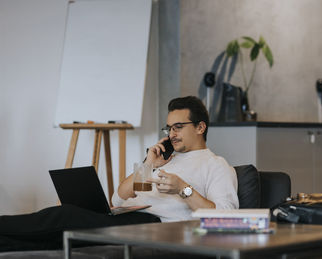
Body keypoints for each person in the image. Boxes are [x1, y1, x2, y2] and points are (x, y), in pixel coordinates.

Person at [0, 96, 239, 252]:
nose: (172, 134)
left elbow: (227, 217)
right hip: (128, 217)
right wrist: (148, 165)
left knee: (63, 215)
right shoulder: (165, 161)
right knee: (51, 237)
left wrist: (183, 190)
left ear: (200, 127)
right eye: (169, 128)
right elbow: (119, 198)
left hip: (156, 227)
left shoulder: (215, 165)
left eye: (178, 127)